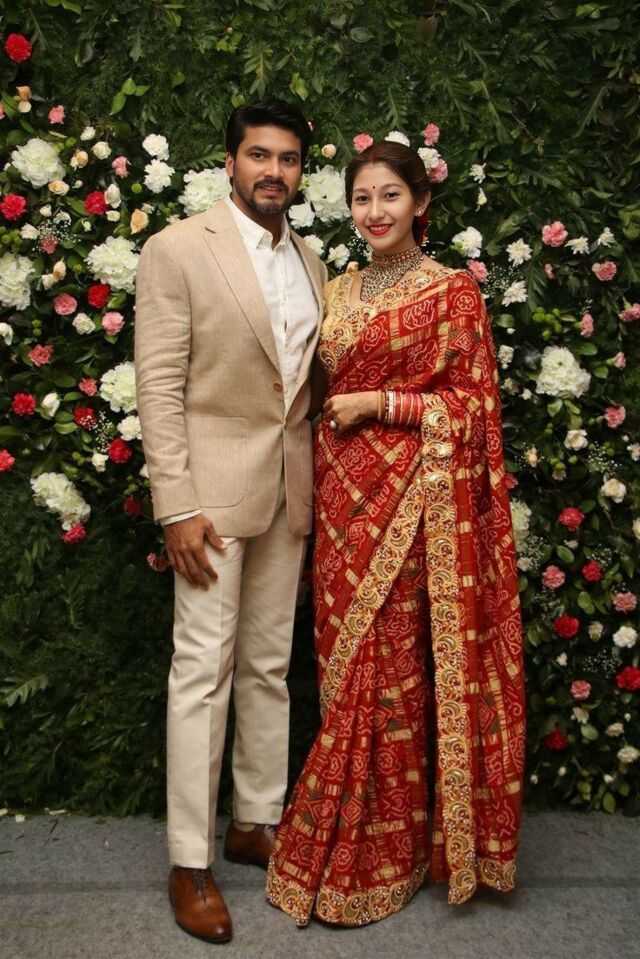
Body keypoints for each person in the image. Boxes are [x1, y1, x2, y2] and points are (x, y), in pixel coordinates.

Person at [266, 141, 526, 927]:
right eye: (362, 198)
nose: (375, 212)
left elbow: (475, 408)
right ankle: (349, 839)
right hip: (339, 495)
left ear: (420, 203)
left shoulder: (451, 292)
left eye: (390, 196)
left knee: (388, 668)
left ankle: (389, 850)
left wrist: (384, 403)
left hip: (412, 500)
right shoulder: (337, 288)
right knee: (341, 658)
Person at [134, 99, 327, 943]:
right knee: (201, 674)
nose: (273, 171)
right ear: (230, 163)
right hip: (209, 501)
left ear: (300, 172)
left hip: (288, 492)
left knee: (268, 668)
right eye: (259, 155)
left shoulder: (311, 259)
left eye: (287, 159)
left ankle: (254, 820)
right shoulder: (178, 248)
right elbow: (158, 383)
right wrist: (176, 504)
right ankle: (189, 859)